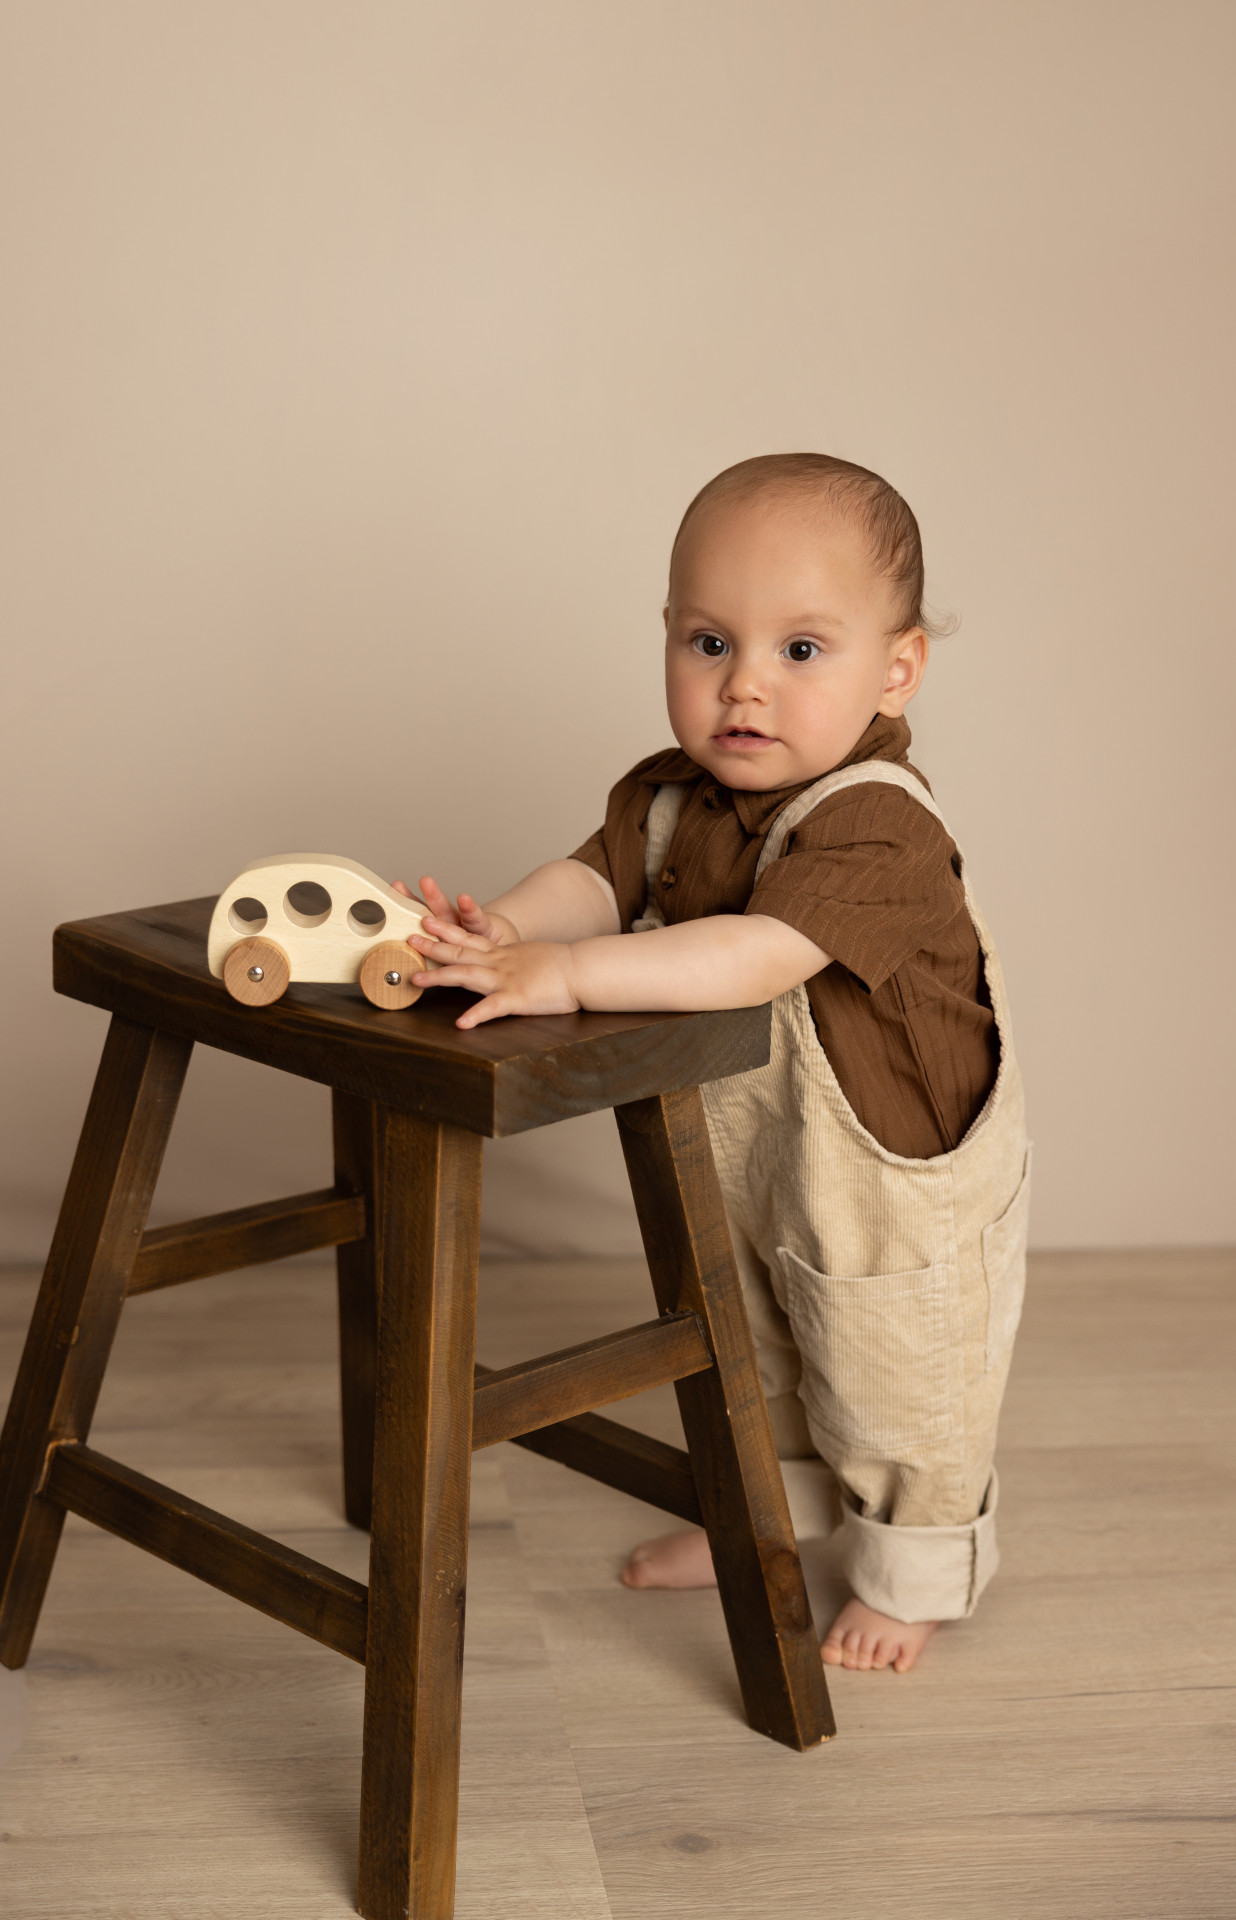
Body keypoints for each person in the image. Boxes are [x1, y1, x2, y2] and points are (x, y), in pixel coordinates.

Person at [395, 453, 1030, 1674]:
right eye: (705, 642)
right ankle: (769, 1513)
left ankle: (915, 1572)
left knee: (896, 1373)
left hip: (895, 1178)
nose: (743, 686)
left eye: (800, 651)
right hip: (756, 1154)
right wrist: (519, 933)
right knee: (754, 1339)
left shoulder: (878, 823)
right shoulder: (670, 797)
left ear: (895, 668)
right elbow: (595, 876)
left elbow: (752, 953)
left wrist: (570, 981)